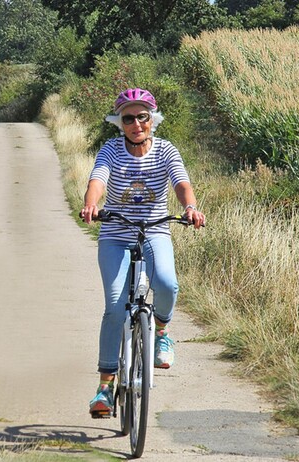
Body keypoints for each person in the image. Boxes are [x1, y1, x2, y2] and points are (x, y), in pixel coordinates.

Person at [80, 88, 205, 417]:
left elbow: (180, 183)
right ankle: (105, 387)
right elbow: (98, 179)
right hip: (115, 236)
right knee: (115, 307)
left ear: (153, 119)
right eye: (128, 118)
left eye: (142, 117)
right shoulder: (110, 149)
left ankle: (161, 332)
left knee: (166, 283)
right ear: (119, 123)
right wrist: (91, 204)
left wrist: (190, 207)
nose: (136, 123)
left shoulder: (166, 150)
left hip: (155, 230)